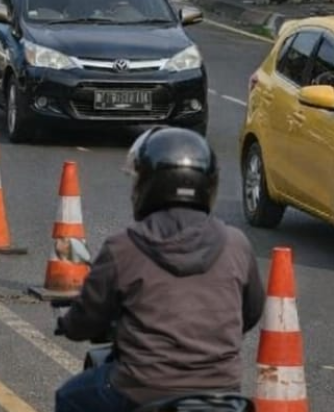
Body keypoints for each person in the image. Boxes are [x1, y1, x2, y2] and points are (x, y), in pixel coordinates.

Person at [54, 127, 263, 412]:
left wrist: (68, 324)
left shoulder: (123, 247)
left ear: (148, 184)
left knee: (69, 397)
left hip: (142, 389)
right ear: (208, 184)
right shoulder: (237, 244)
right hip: (222, 392)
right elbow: (250, 313)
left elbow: (87, 320)